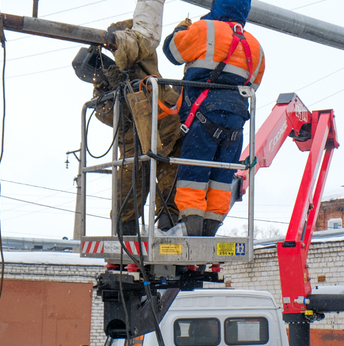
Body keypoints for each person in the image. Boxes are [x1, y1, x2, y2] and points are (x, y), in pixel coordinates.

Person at [161, 0, 265, 236]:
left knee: (194, 173)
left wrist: (181, 30)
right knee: (222, 175)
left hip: (202, 117)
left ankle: (190, 226)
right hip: (236, 123)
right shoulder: (256, 46)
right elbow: (253, 85)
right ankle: (210, 230)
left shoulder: (204, 30)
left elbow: (172, 51)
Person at [89, 0, 182, 234]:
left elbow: (166, 112)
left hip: (165, 141)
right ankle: (126, 234)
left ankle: (167, 231)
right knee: (128, 194)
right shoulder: (112, 85)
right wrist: (106, 90)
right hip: (135, 146)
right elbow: (107, 117)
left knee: (170, 188)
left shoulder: (156, 87)